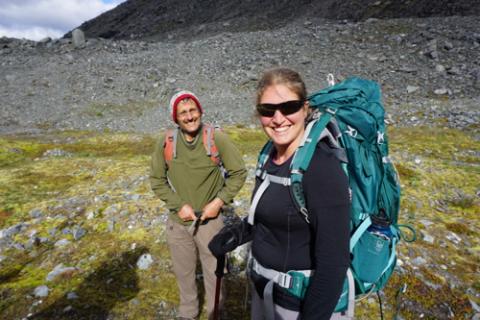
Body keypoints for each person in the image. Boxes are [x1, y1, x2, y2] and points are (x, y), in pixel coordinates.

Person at [209, 68, 350, 320]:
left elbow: (334, 263)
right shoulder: (269, 156)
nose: (278, 118)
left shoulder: (321, 168)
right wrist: (235, 235)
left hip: (300, 305)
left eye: (289, 107)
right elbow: (268, 217)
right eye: (267, 110)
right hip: (265, 294)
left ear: (305, 108)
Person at [150, 90, 247, 320]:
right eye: (183, 113)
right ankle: (188, 314)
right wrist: (177, 205)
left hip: (211, 222)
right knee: (184, 274)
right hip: (178, 222)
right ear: (176, 118)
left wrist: (218, 202)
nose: (189, 116)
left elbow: (238, 173)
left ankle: (215, 313)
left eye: (193, 110)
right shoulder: (166, 141)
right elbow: (156, 179)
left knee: (215, 274)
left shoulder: (216, 138)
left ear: (200, 111)